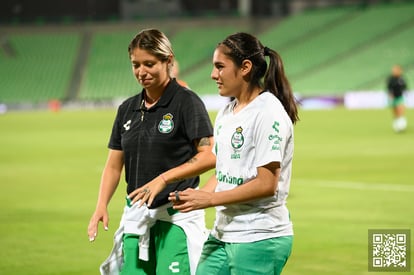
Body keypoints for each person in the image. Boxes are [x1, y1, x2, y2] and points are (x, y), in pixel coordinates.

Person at [168, 32, 299, 275]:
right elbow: (224, 171)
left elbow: (266, 184)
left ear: (245, 68)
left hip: (259, 236)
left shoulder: (268, 112)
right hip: (223, 233)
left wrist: (210, 200)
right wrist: (195, 197)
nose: (213, 75)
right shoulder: (227, 113)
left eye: (220, 67)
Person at [87, 28, 215, 275]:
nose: (141, 72)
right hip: (136, 216)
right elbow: (114, 164)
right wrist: (101, 205)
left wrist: (165, 178)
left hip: (176, 218)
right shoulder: (127, 109)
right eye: (135, 65)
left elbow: (208, 155)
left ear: (168, 61)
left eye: (149, 64)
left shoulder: (187, 102)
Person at [387, 64, 408, 132]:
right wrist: (390, 95)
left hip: (400, 97)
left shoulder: (402, 78)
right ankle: (396, 124)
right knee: (395, 112)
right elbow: (389, 88)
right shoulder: (390, 79)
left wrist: (405, 92)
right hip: (393, 97)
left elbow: (405, 87)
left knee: (400, 110)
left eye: (396, 70)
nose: (394, 71)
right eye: (394, 70)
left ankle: (401, 125)